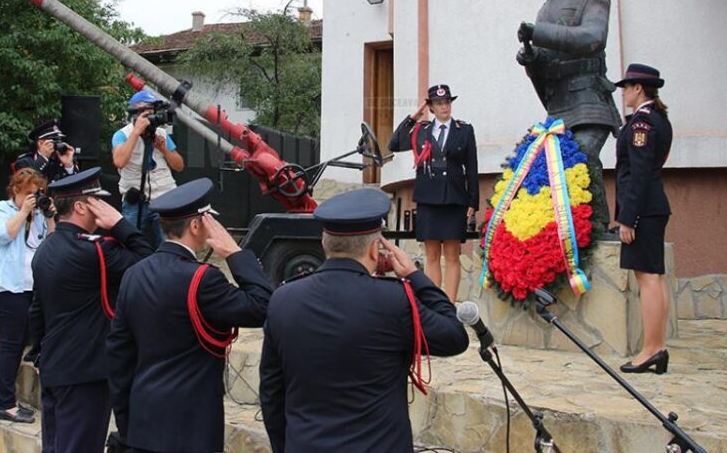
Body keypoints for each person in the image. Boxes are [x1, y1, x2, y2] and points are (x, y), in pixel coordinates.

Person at [259, 188, 469, 452]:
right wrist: (416, 277)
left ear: (324, 243)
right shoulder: (393, 300)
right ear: (374, 249)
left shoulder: (283, 299)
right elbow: (454, 336)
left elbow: (271, 393)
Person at [107, 178, 273, 453]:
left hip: (143, 423)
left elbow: (119, 355)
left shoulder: (134, 275)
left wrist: (128, 425)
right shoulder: (202, 279)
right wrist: (234, 252)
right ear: (196, 225)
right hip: (191, 427)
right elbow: (262, 306)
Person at [29, 167, 152, 453]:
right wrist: (121, 223)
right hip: (86, 371)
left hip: (56, 364)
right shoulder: (93, 251)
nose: (104, 208)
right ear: (82, 205)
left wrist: (39, 354)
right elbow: (147, 263)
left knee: (57, 445)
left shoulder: (47, 247)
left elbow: (37, 310)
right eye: (97, 201)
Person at [516, 0, 622, 230]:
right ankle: (566, 229)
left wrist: (539, 33)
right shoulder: (545, 10)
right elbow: (546, 68)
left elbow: (593, 38)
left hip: (589, 100)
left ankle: (598, 225)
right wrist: (532, 60)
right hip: (559, 105)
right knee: (549, 167)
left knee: (584, 152)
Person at [388, 84, 478, 301]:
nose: (444, 106)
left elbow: (472, 168)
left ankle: (450, 306)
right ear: (430, 107)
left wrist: (472, 203)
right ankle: (435, 303)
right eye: (438, 103)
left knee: (452, 255)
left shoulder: (464, 130)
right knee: (431, 255)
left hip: (455, 200)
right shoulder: (421, 130)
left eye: (447, 102)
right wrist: (412, 118)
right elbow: (394, 144)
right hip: (428, 199)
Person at [613, 64, 673, 375]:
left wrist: (628, 218)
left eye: (627, 86)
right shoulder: (658, 119)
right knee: (655, 277)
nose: (623, 92)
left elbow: (637, 174)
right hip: (653, 205)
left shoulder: (642, 124)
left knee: (647, 279)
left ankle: (652, 348)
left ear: (639, 89)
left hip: (644, 208)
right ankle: (658, 346)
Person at [0, 169, 56, 424]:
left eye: (37, 193)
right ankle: (5, 404)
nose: (33, 198)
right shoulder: (1, 209)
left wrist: (49, 216)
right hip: (9, 288)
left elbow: (53, 240)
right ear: (15, 190)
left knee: (37, 342)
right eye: (29, 192)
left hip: (34, 287)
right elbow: (4, 235)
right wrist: (24, 211)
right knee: (12, 345)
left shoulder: (39, 214)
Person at [112, 90, 185, 246]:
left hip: (164, 196)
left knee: (170, 244)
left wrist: (164, 149)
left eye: (152, 111)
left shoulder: (161, 134)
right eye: (145, 111)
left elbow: (179, 166)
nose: (150, 115)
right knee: (130, 243)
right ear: (135, 113)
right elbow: (119, 161)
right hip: (136, 198)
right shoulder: (122, 135)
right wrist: (136, 132)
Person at [11, 119, 77, 183]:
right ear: (40, 143)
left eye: (59, 141)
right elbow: (27, 184)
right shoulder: (24, 162)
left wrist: (68, 166)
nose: (57, 144)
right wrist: (43, 158)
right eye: (54, 141)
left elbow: (74, 187)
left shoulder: (59, 161)